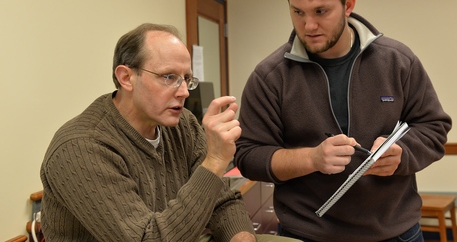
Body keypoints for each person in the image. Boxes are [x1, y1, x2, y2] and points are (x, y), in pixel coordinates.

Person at [235, 0, 452, 242]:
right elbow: (248, 155)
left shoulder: (398, 61)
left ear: (348, 5)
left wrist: (403, 155)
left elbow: (434, 127)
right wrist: (311, 158)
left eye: (321, 12)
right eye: (298, 12)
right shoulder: (270, 76)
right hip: (306, 233)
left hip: (395, 232)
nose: (308, 26)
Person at [40, 23, 299, 242]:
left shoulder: (182, 123)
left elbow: (221, 201)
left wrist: (240, 236)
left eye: (186, 78)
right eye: (168, 77)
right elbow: (147, 238)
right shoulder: (81, 147)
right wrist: (215, 162)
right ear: (126, 78)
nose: (184, 91)